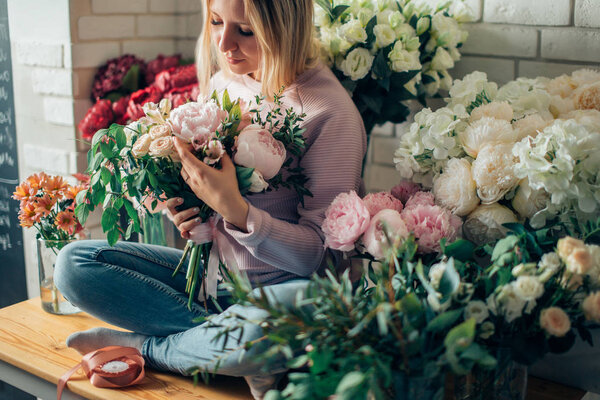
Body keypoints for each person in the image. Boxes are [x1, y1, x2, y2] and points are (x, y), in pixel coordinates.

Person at [54, 0, 366, 398]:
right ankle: (228, 350)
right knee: (73, 265)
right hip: (213, 282)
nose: (224, 42)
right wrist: (192, 212)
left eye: (246, 31)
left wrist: (234, 209)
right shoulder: (224, 83)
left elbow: (318, 257)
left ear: (286, 27)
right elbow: (210, 217)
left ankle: (149, 348)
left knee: (276, 322)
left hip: (287, 293)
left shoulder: (331, 113)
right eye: (216, 22)